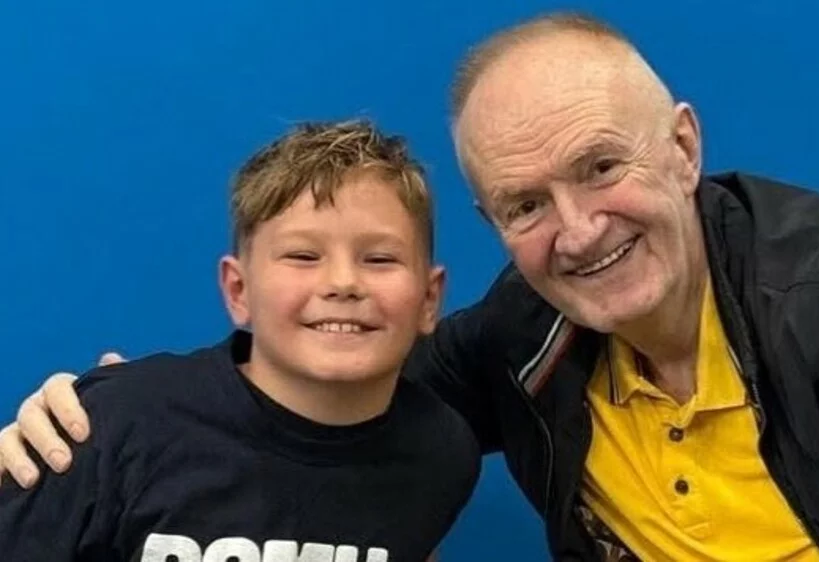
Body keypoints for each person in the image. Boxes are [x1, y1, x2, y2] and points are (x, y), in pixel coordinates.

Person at [2, 11, 819, 562]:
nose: (578, 230)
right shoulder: (530, 327)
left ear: (684, 147)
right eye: (526, 204)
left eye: (601, 167)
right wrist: (114, 416)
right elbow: (323, 381)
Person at [0, 120, 480, 562]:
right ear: (238, 290)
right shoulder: (112, 423)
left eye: (379, 259)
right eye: (302, 255)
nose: (343, 282)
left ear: (429, 299)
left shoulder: (441, 450)